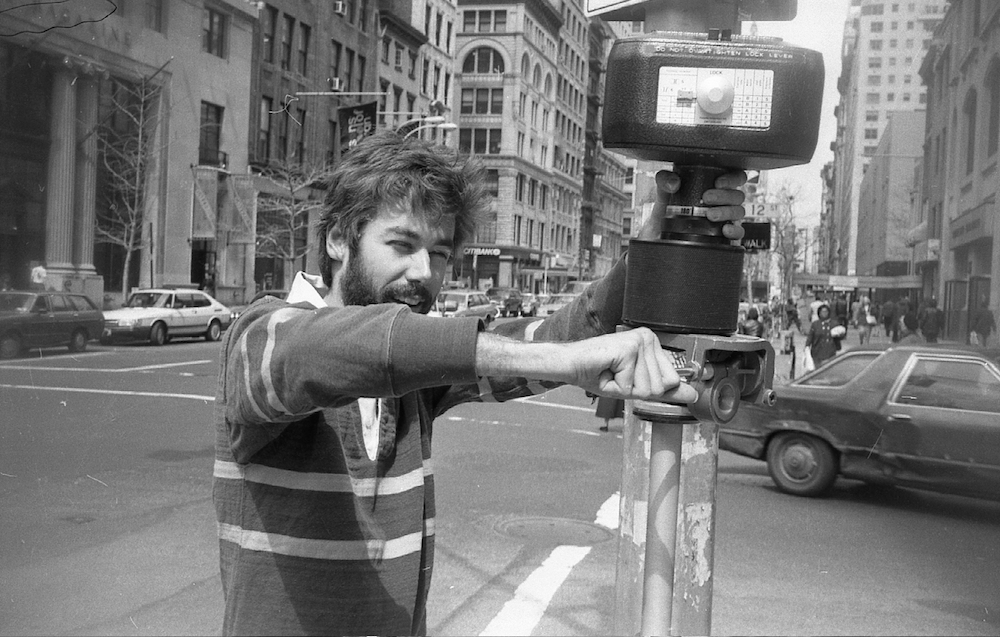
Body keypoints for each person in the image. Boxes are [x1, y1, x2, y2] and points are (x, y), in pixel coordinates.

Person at [212, 130, 747, 636]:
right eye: (402, 244)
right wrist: (565, 361)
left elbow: (552, 335)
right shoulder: (259, 338)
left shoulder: (417, 375)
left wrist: (655, 249)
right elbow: (331, 348)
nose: (423, 272)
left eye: (439, 253)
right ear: (336, 239)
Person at [805, 303, 841, 368]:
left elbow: (839, 338)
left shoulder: (834, 323)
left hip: (830, 351)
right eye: (822, 312)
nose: (824, 313)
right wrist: (807, 346)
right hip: (817, 351)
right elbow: (810, 336)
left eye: (826, 312)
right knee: (818, 369)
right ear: (819, 313)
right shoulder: (815, 324)